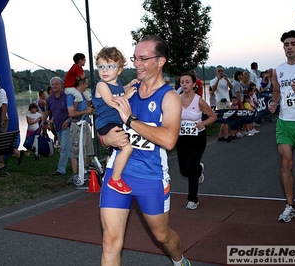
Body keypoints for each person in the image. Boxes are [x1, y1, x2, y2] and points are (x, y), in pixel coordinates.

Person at [99, 35, 191, 266]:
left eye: (143, 58)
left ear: (161, 61)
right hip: (117, 173)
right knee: (110, 241)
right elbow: (106, 126)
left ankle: (180, 261)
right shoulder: (127, 90)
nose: (136, 63)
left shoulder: (169, 97)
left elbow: (169, 140)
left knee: (162, 236)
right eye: (134, 58)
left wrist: (130, 121)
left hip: (151, 176)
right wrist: (105, 138)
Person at [268, 30, 295, 223]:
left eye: (292, 43)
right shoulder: (278, 70)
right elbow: (277, 92)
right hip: (285, 122)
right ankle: (290, 206)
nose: (289, 47)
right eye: (286, 44)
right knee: (286, 162)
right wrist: (274, 104)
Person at [92, 46, 137, 194]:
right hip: (107, 123)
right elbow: (112, 102)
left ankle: (108, 173)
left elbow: (118, 91)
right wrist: (127, 95)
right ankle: (115, 179)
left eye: (110, 66)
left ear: (119, 69)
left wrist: (127, 86)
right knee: (127, 146)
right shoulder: (101, 85)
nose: (105, 70)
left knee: (115, 151)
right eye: (101, 67)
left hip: (116, 122)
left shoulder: (115, 84)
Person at [177, 71, 217, 210]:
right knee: (183, 170)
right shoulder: (176, 99)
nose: (184, 84)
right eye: (182, 82)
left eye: (187, 82)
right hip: (181, 138)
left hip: (197, 137)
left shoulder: (199, 100)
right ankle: (200, 169)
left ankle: (192, 199)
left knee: (192, 168)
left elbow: (213, 116)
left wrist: (203, 123)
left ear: (194, 84)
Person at [66, 78, 95, 183]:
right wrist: (85, 111)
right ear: (81, 84)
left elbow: (85, 109)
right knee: (76, 151)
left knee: (85, 150)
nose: (87, 85)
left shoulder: (83, 95)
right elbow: (71, 114)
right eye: (86, 83)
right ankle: (75, 174)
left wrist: (89, 111)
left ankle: (84, 171)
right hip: (77, 126)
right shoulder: (72, 96)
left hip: (85, 124)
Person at [42, 77, 71, 176]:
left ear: (61, 85)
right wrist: (43, 121)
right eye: (53, 84)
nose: (54, 86)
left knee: (64, 148)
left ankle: (61, 170)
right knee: (68, 148)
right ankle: (80, 165)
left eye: (56, 84)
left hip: (67, 125)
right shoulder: (50, 98)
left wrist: (68, 121)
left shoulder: (67, 96)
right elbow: (47, 110)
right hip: (57, 126)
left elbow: (72, 111)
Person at [210, 65, 233, 141]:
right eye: (219, 71)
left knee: (227, 118)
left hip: (227, 100)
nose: (220, 72)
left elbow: (231, 87)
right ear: (216, 72)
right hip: (220, 101)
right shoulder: (213, 80)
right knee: (224, 119)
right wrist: (218, 80)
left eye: (221, 71)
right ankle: (227, 135)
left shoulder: (226, 79)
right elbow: (213, 90)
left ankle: (220, 136)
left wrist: (227, 80)